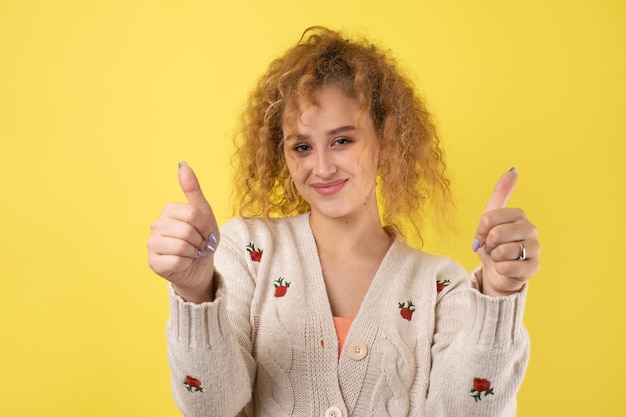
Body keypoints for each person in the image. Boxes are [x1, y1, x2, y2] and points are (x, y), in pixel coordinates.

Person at [147, 26, 540, 417]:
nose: (321, 167)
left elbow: (467, 412)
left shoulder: (439, 286)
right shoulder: (249, 251)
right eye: (302, 147)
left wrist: (501, 295)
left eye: (342, 140)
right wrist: (195, 292)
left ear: (385, 139)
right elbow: (210, 406)